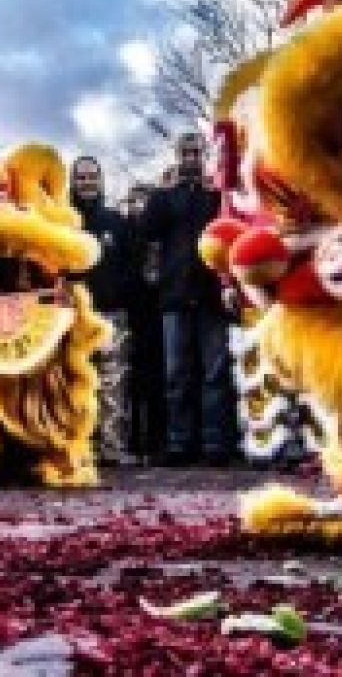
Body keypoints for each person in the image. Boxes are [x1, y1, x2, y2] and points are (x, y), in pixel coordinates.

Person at [139, 132, 235, 465]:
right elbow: (146, 229)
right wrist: (161, 191)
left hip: (211, 295)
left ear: (204, 155)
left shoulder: (216, 195)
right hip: (175, 296)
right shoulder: (165, 197)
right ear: (178, 156)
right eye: (186, 153)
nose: (192, 158)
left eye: (197, 152)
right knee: (176, 375)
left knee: (215, 372)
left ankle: (215, 444)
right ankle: (179, 443)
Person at [67, 156, 135, 464]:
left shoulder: (116, 222)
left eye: (92, 176)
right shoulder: (64, 222)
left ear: (101, 179)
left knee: (113, 382)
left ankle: (112, 447)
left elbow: (131, 266)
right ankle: (76, 447)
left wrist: (120, 295)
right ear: (72, 181)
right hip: (71, 315)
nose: (86, 182)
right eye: (80, 177)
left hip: (111, 314)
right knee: (73, 381)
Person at [121, 183, 166, 463]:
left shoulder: (160, 233)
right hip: (131, 312)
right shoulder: (123, 231)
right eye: (134, 202)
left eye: (145, 202)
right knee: (131, 382)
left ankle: (156, 442)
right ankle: (132, 440)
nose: (140, 207)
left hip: (159, 313)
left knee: (158, 381)